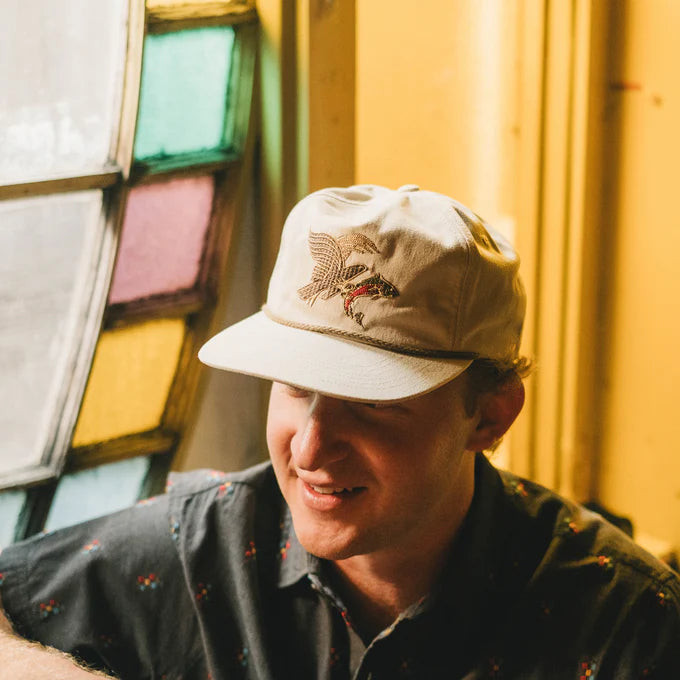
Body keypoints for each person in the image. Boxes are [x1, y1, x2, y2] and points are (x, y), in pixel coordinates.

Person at [0, 184, 678, 679]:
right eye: (294, 386)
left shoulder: (631, 623)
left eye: (371, 402)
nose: (310, 447)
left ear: (490, 415)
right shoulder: (202, 546)